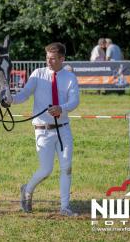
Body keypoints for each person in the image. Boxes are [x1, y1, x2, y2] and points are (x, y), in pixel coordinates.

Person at [13, 42, 80, 216]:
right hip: (42, 130)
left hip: (63, 129)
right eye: (47, 58)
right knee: (46, 170)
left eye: (52, 59)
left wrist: (62, 108)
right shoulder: (37, 74)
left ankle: (64, 207)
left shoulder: (70, 77)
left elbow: (75, 101)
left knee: (66, 167)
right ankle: (27, 190)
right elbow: (24, 94)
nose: (48, 62)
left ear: (62, 59)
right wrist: (10, 99)